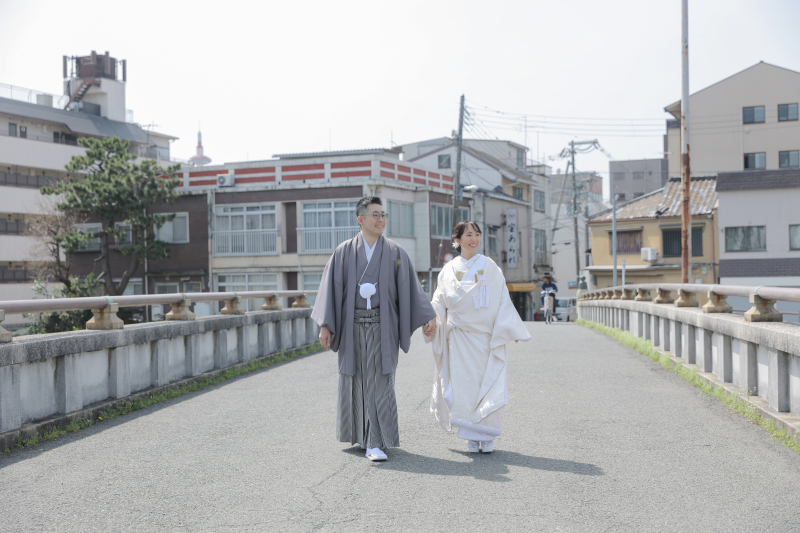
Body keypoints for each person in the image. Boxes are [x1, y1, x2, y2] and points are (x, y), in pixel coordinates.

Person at [312, 196, 437, 462]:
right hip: (352, 325)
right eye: (375, 215)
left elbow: (411, 290)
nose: (381, 220)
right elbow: (330, 291)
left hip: (384, 326)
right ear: (361, 219)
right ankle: (361, 435)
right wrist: (326, 324)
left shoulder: (395, 253)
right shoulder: (344, 252)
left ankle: (376, 441)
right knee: (355, 379)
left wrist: (428, 316)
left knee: (380, 381)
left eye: (383, 215)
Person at [425, 220, 530, 453]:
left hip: (485, 337)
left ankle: (488, 435)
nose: (474, 239)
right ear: (457, 240)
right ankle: (471, 436)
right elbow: (439, 300)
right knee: (464, 386)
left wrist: (510, 328)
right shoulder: (448, 270)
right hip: (460, 339)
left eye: (477, 234)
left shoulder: (490, 266)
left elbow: (503, 299)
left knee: (487, 384)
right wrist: (431, 320)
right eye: (468, 235)